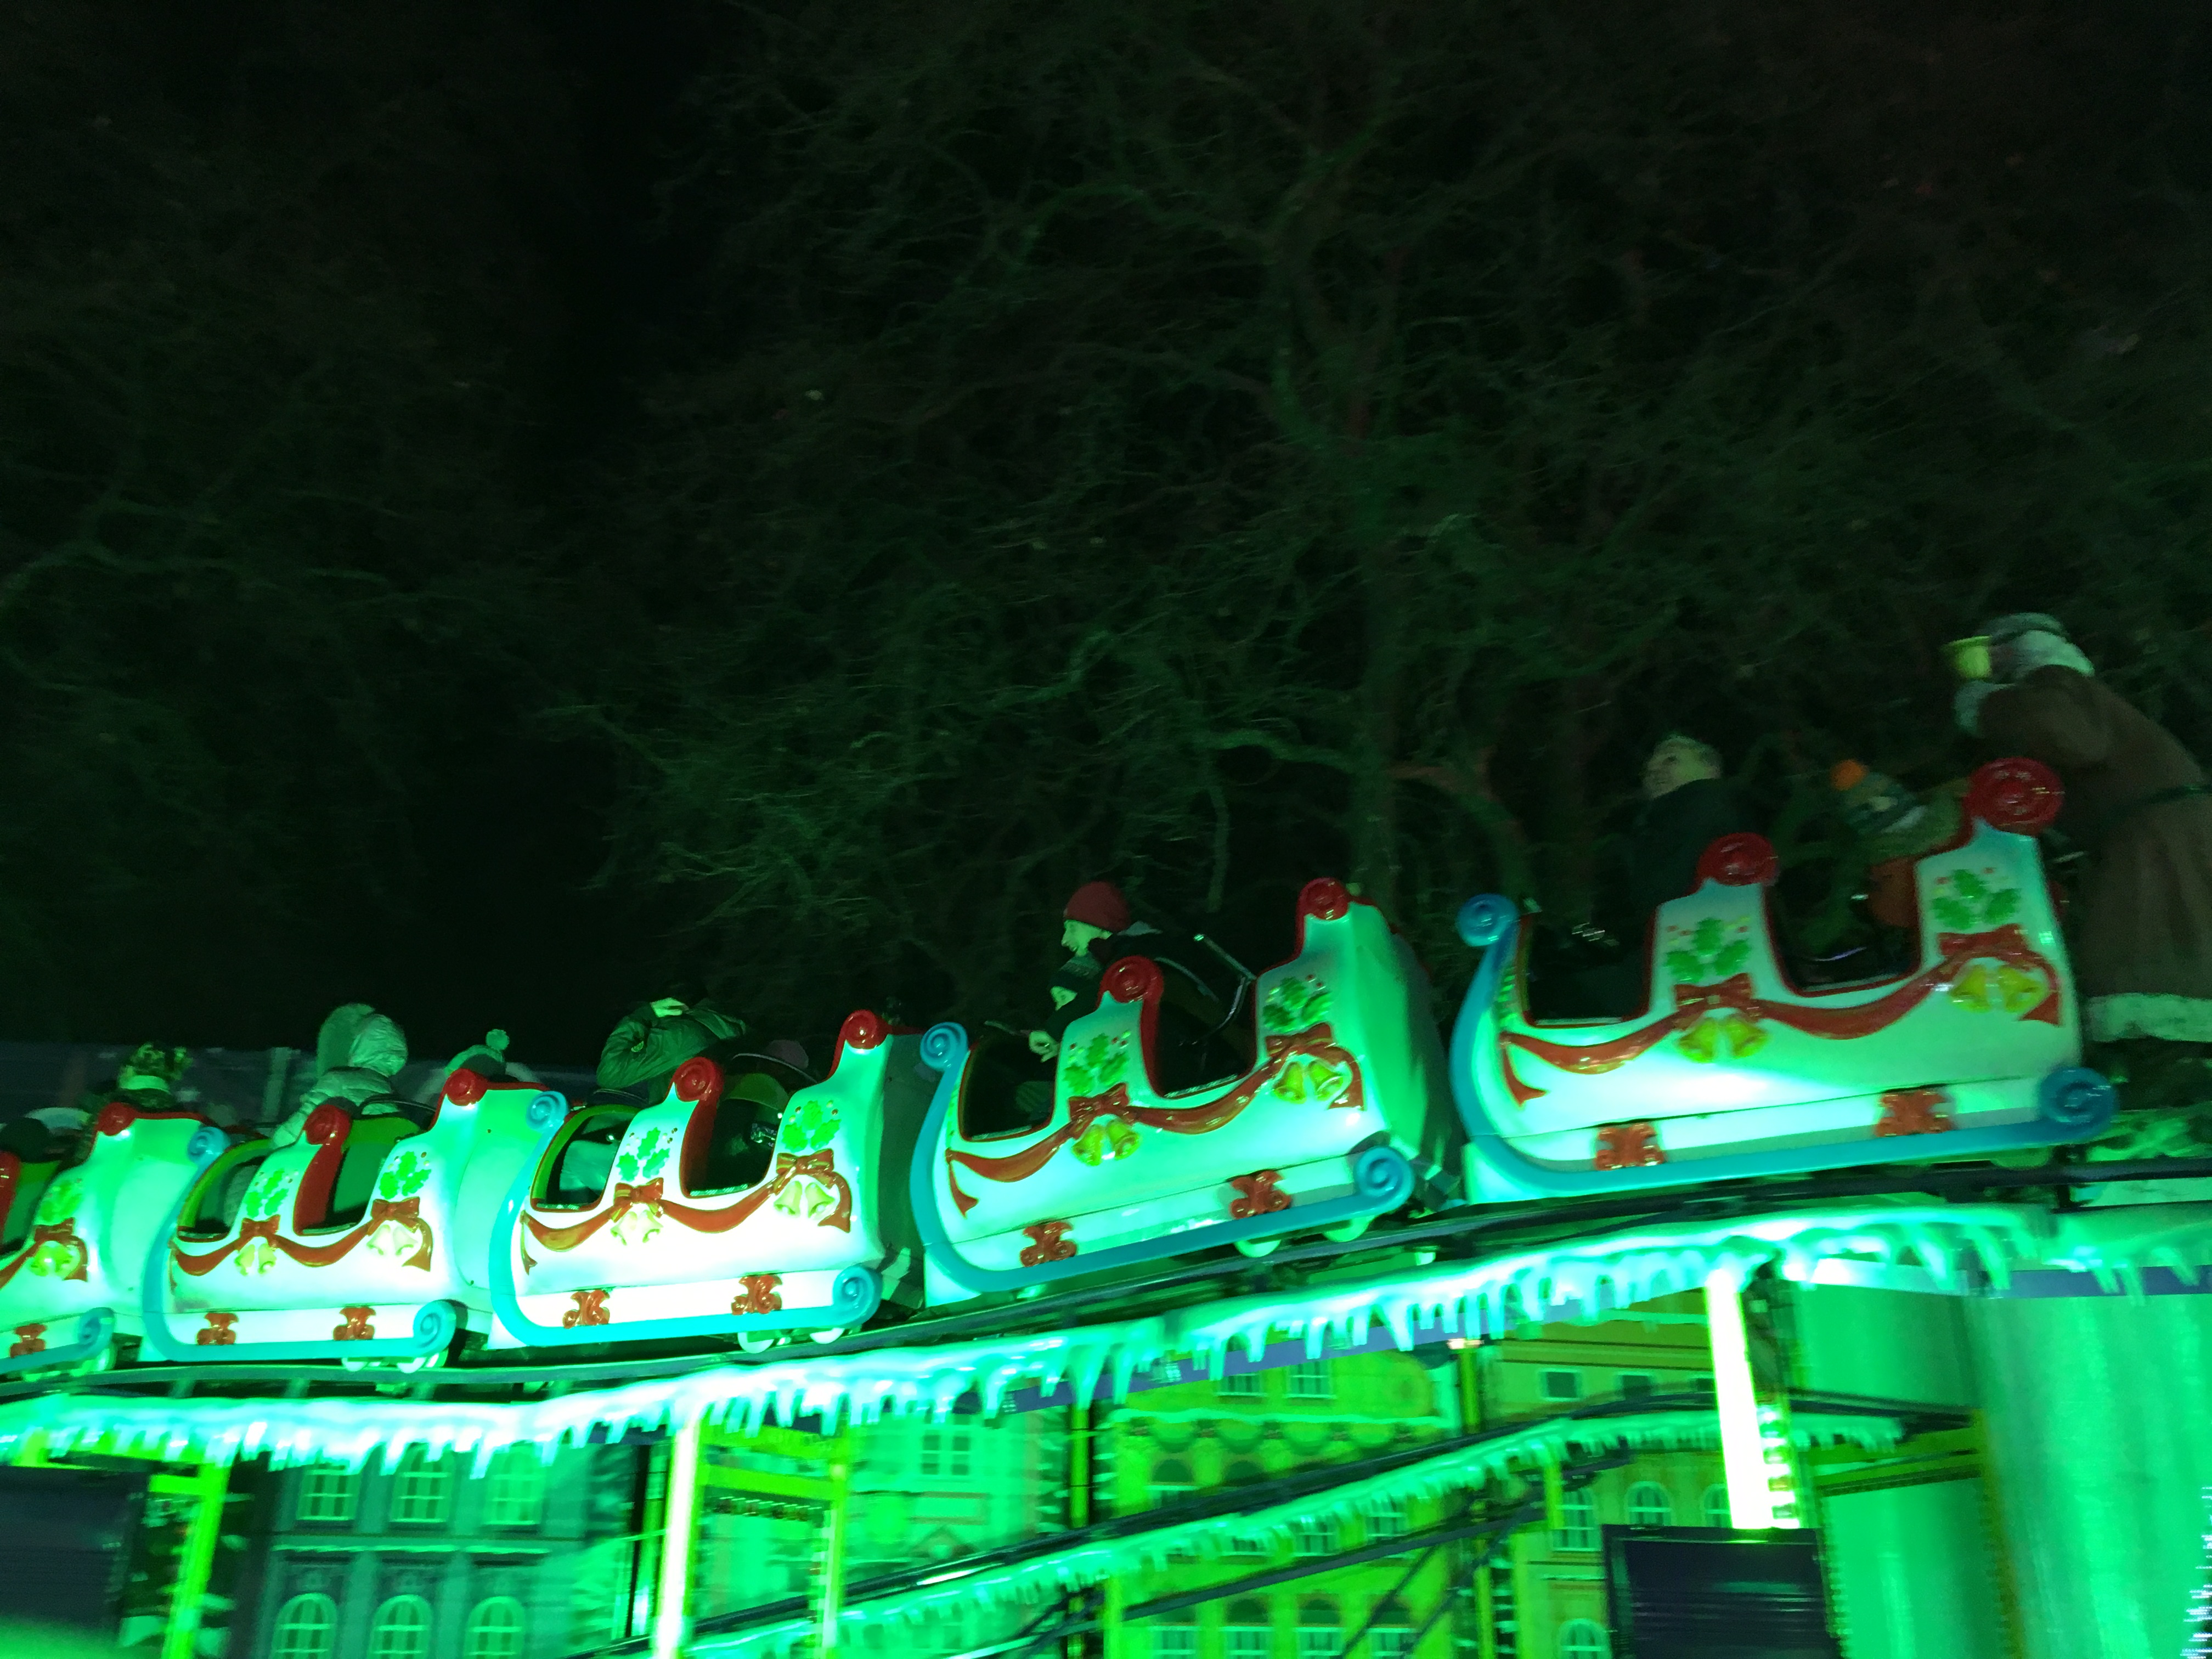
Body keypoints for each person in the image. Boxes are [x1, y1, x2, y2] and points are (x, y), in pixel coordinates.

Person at [1954, 612, 2212, 1048]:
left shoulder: (2057, 681)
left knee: (2143, 937)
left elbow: (2070, 737)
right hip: (2162, 826)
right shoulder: (2070, 689)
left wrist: (1990, 705)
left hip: (2152, 833)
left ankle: (2156, 1044)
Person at [1564, 736, 1761, 1017]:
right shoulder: (1659, 824)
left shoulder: (1703, 808)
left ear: (1710, 769)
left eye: (1671, 759)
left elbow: (1663, 898)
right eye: (1649, 768)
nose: (1655, 770)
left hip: (1686, 967)